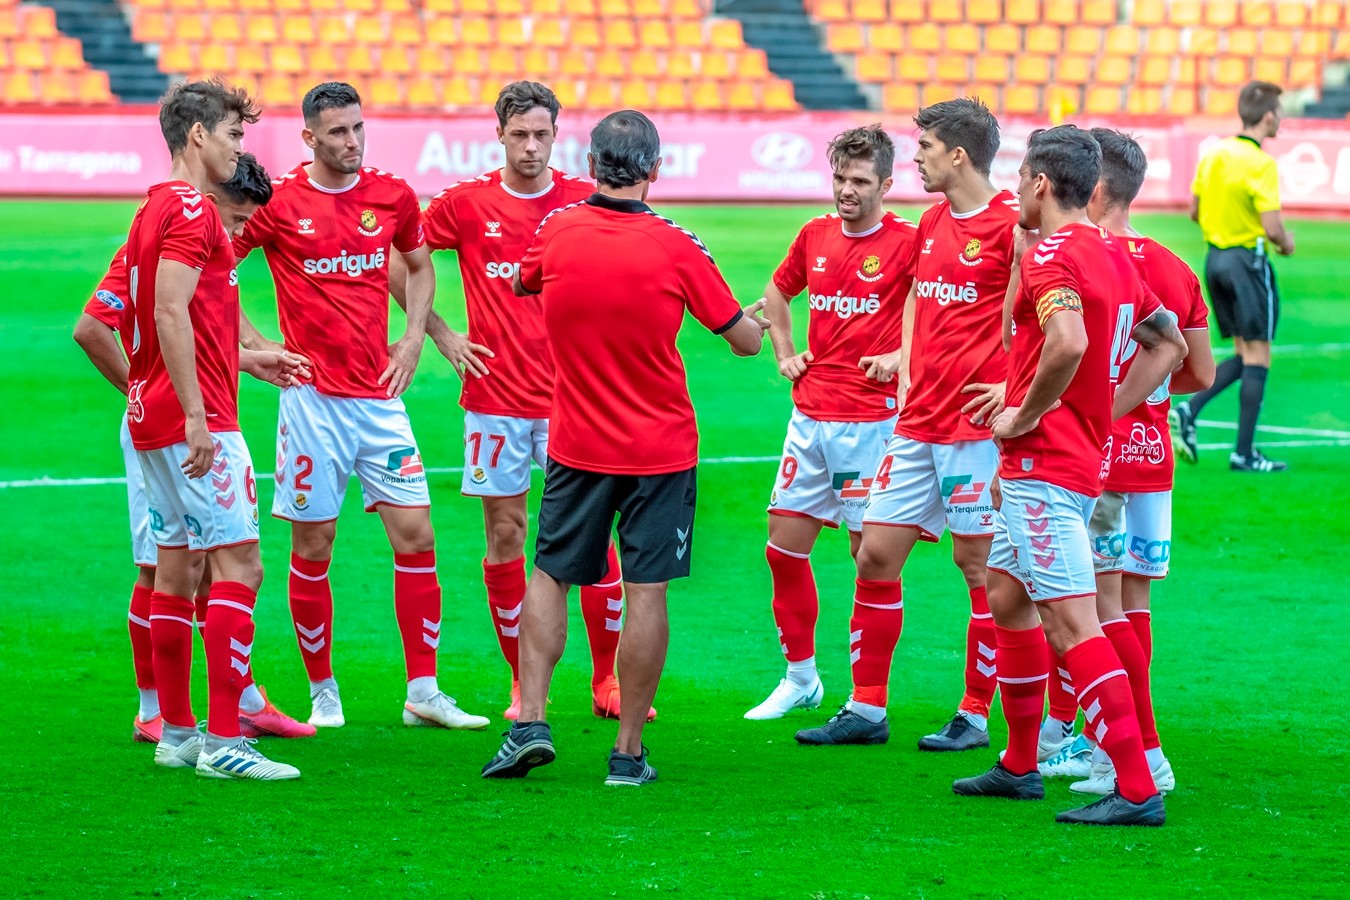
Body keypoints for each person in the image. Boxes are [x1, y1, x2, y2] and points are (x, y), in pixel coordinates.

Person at [481, 110, 769, 785]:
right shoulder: (678, 246)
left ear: (590, 166)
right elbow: (742, 339)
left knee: (549, 573)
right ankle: (628, 753)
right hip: (659, 451)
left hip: (577, 441)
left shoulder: (556, 230)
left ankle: (529, 720)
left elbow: (524, 282)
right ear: (655, 170)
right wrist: (758, 318)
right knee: (645, 591)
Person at [233, 81, 488, 732]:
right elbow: (215, 266)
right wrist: (258, 345)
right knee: (315, 545)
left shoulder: (391, 194)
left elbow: (419, 267)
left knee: (418, 535)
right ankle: (323, 691)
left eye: (358, 128)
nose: (352, 141)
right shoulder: (281, 202)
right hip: (312, 401)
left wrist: (413, 339)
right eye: (338, 132)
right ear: (310, 137)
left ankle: (423, 692)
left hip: (379, 400)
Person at [950, 125, 1187, 826]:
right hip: (1070, 456)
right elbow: (1167, 343)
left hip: (1044, 466)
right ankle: (1021, 764)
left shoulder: (1053, 253)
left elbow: (1070, 340)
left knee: (1073, 622)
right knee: (1006, 594)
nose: (1016, 190)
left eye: (1021, 178)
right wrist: (1098, 412)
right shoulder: (1111, 256)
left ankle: (1139, 787)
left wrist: (1023, 414)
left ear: (1042, 184)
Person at [394, 81, 647, 722]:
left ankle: (606, 679)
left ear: (557, 135)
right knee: (506, 535)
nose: (530, 148)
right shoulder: (465, 204)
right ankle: (521, 682)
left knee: (596, 539)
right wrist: (441, 333)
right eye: (519, 135)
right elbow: (400, 259)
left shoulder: (581, 201)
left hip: (576, 401)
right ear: (499, 134)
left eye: (541, 135)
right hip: (496, 401)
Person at [794, 100, 1020, 750]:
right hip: (916, 422)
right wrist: (907, 363)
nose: (914, 156)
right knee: (875, 553)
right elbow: (922, 296)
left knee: (978, 567)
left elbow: (1038, 317)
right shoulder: (932, 221)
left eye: (924, 147)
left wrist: (1010, 383)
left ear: (958, 155)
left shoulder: (1011, 227)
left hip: (976, 429)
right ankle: (866, 709)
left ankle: (975, 714)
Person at [74, 155, 315, 744]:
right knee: (178, 566)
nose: (236, 239)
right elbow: (96, 328)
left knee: (196, 564)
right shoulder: (177, 230)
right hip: (178, 420)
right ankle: (162, 712)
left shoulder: (173, 231)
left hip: (169, 413)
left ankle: (218, 710)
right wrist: (144, 389)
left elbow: (198, 335)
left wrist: (252, 359)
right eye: (235, 221)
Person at [125, 79, 308, 780]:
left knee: (176, 571)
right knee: (240, 566)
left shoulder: (153, 209)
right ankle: (227, 741)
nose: (240, 148)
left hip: (152, 416)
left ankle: (177, 732)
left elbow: (187, 316)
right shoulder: (197, 211)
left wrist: (252, 360)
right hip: (194, 418)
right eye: (233, 134)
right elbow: (170, 314)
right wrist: (202, 416)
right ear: (197, 134)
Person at [1036, 128, 1217, 788]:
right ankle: (1113, 742)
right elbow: (1199, 369)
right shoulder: (1170, 263)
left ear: (1097, 187)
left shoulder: (1087, 258)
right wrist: (1145, 400)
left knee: (1094, 611)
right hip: (1152, 454)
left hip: (1096, 452)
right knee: (1128, 607)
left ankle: (1137, 753)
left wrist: (1104, 404)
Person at [740, 124, 916, 732]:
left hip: (872, 425)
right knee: (782, 548)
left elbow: (936, 310)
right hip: (810, 415)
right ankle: (801, 679)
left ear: (887, 185)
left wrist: (901, 357)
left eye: (860, 181)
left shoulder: (909, 243)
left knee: (869, 557)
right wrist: (785, 349)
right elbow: (777, 290)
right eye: (839, 178)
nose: (846, 191)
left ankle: (869, 699)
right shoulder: (814, 234)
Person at [1174, 80, 1293, 473]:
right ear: (1270, 116)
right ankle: (1243, 452)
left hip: (1216, 260)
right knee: (1259, 355)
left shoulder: (1213, 154)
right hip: (1247, 262)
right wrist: (1285, 243)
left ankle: (1191, 409)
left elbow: (1194, 211)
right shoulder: (1261, 162)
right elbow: (1272, 227)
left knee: (1244, 353)